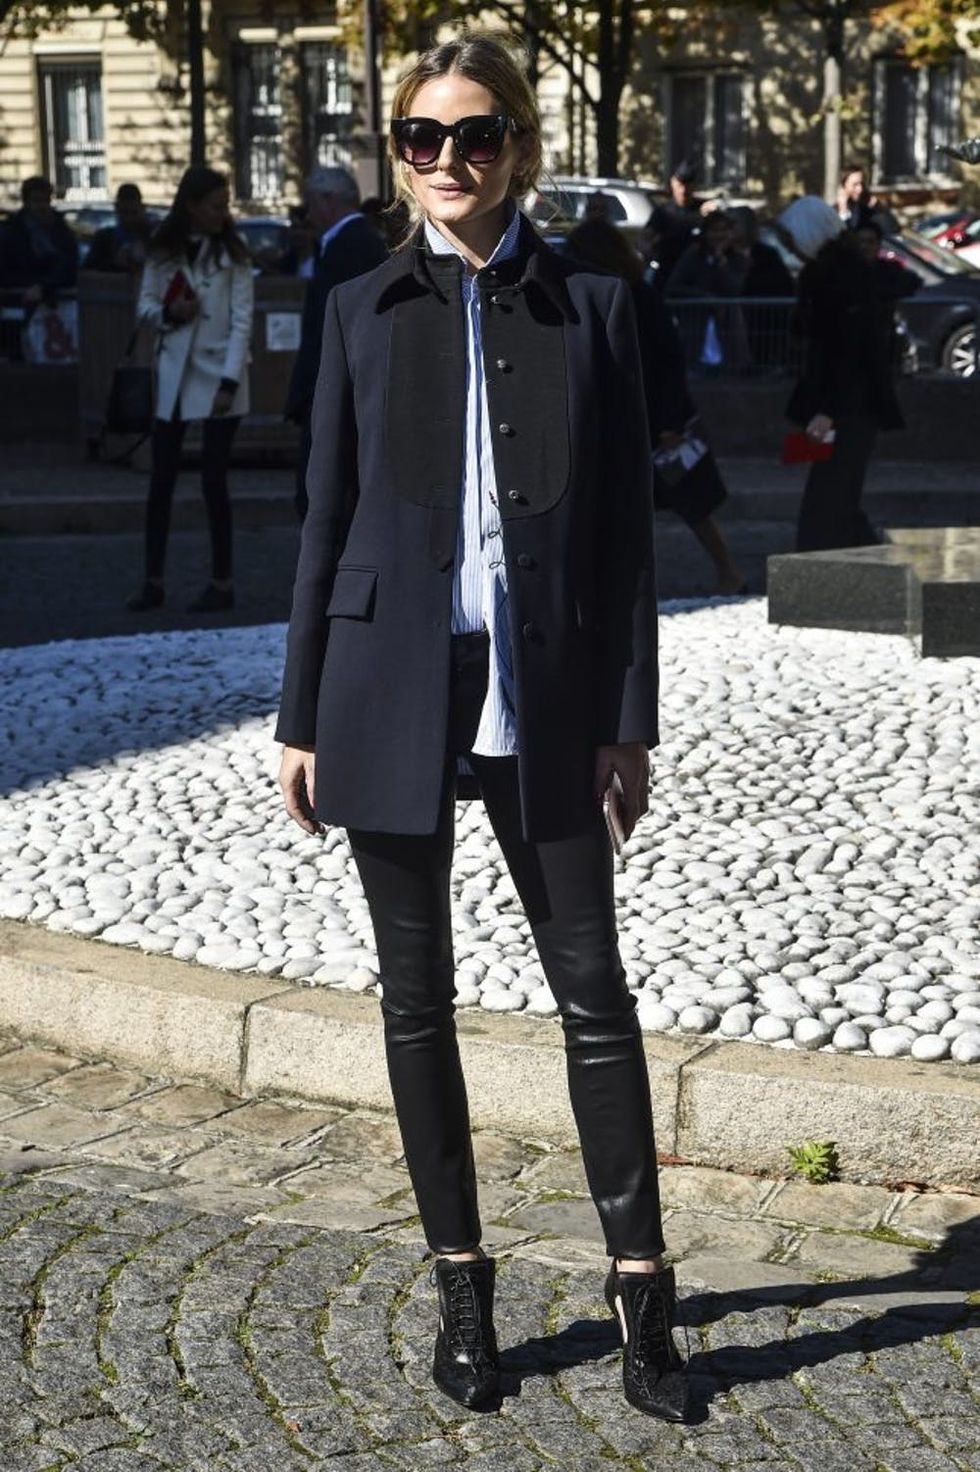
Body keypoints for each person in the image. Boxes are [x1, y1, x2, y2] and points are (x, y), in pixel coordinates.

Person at [276, 32, 689, 1424]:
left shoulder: (597, 304)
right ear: (396, 150)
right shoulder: (354, 302)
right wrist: (296, 716)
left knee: (594, 994)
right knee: (413, 1000)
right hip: (384, 684)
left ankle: (644, 1298)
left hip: (550, 694)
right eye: (420, 136)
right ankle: (464, 1284)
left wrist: (628, 716)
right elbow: (322, 524)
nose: (448, 160)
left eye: (476, 133)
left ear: (521, 143)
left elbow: (630, 536)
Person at [568, 217, 746, 595]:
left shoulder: (638, 296)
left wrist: (670, 423)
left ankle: (728, 570)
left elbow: (669, 361)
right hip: (627, 417)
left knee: (689, 502)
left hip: (655, 419)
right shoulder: (606, 294)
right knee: (639, 506)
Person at [127, 166, 254, 613]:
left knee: (213, 481)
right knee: (161, 481)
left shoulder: (235, 257)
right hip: (174, 378)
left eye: (226, 205)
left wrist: (229, 382)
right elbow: (143, 306)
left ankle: (223, 582)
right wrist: (168, 311)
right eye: (216, 205)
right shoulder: (162, 254)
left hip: (220, 375)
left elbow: (242, 322)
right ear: (191, 206)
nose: (224, 212)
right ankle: (153, 580)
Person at [779, 195, 917, 553]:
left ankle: (826, 565)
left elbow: (845, 348)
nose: (792, 249)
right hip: (848, 399)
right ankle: (861, 555)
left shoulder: (838, 275)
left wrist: (827, 409)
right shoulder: (836, 271)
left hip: (847, 402)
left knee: (832, 491)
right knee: (839, 488)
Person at [285, 166, 389, 519]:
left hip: (336, 392)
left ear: (329, 201)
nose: (308, 214)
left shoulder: (350, 246)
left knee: (324, 499)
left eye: (310, 204)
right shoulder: (354, 242)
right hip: (339, 391)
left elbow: (331, 331)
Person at [666, 209, 750, 371]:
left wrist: (721, 264)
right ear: (705, 233)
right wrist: (704, 297)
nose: (719, 235)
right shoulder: (692, 255)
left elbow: (735, 288)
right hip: (695, 325)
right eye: (714, 230)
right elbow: (673, 287)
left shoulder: (738, 259)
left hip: (727, 327)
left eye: (724, 230)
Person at [0, 175, 78, 303]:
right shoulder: (11, 230)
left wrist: (44, 286)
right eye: (36, 200)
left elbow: (68, 264)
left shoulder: (60, 228)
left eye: (45, 200)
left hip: (56, 301)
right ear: (26, 202)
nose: (42, 206)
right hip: (19, 300)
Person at [645, 159, 703, 283]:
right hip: (667, 272)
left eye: (688, 185)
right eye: (680, 184)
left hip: (697, 276)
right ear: (673, 183)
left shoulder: (702, 210)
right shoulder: (663, 212)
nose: (684, 190)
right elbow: (646, 238)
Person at [83, 184, 153, 273]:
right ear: (117, 209)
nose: (129, 219)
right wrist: (114, 263)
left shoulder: (153, 237)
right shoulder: (103, 238)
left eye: (133, 213)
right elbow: (88, 271)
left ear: (142, 209)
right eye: (125, 212)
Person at [837, 166, 899, 234]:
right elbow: (844, 235)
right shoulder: (835, 212)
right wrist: (843, 210)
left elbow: (892, 230)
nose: (860, 189)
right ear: (843, 187)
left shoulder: (871, 207)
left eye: (862, 184)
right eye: (855, 185)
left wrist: (879, 208)